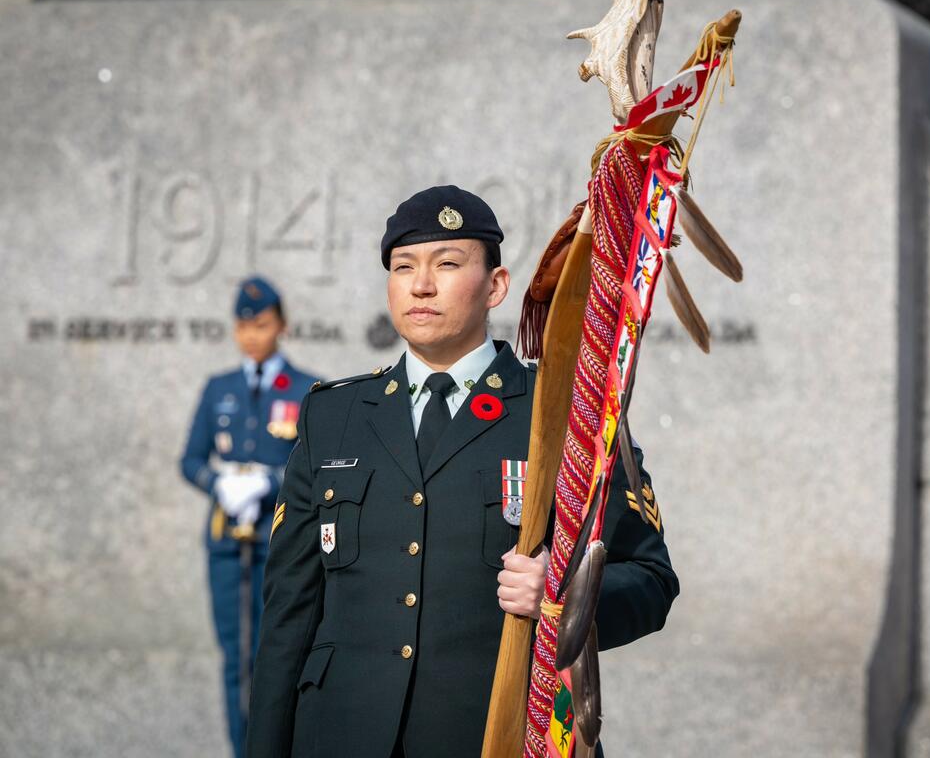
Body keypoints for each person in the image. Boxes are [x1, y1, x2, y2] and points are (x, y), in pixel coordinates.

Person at [247, 186, 677, 757]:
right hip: (338, 735)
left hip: (495, 736)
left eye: (447, 263)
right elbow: (289, 615)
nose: (421, 284)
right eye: (404, 267)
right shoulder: (334, 415)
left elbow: (651, 578)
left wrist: (565, 594)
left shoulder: (564, 414)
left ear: (495, 286)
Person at [180, 277, 320, 758]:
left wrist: (271, 480)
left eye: (260, 325)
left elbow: (314, 467)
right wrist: (218, 482)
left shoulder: (305, 389)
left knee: (276, 655)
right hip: (226, 543)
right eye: (242, 326)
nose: (251, 336)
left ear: (280, 325)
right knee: (236, 657)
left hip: (278, 542)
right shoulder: (219, 388)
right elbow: (190, 460)